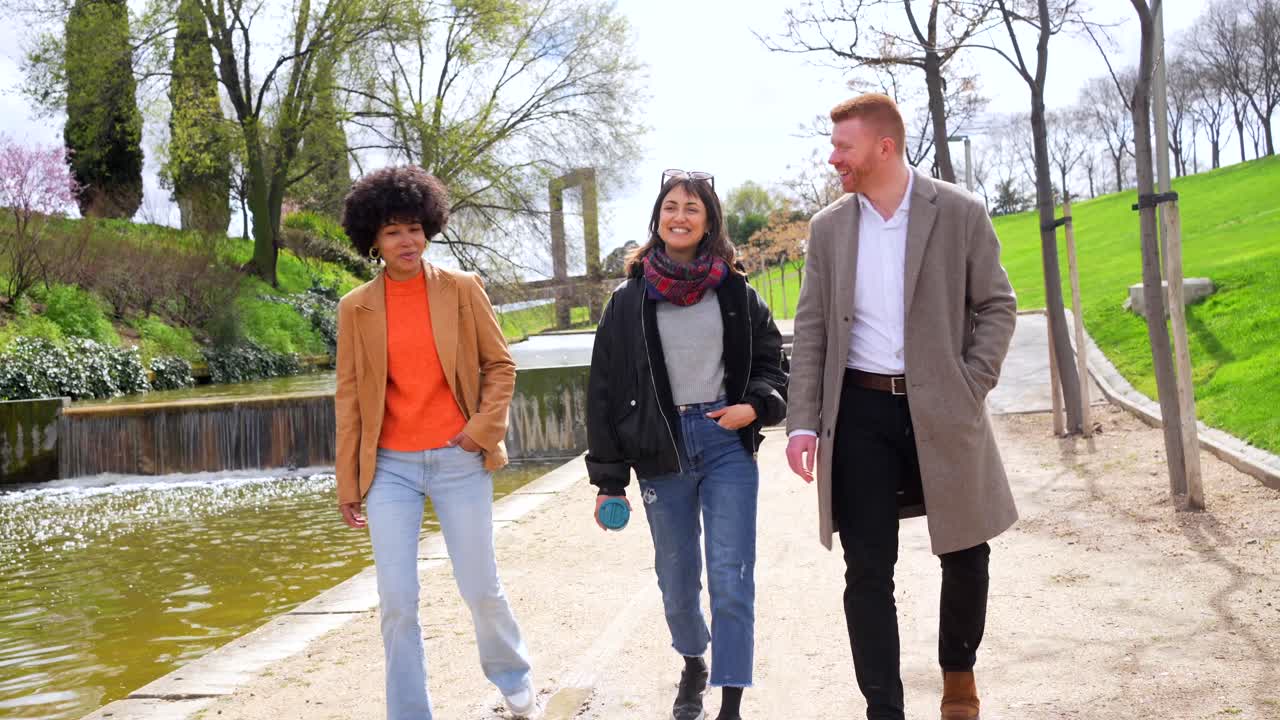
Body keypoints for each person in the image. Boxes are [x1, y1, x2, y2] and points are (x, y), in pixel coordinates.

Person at [784, 94, 1019, 720]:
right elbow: (811, 331)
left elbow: (997, 304)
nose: (833, 158)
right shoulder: (829, 228)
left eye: (844, 147)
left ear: (884, 148)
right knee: (866, 569)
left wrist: (973, 381)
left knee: (966, 550)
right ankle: (883, 707)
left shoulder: (960, 211)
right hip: (859, 412)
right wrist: (802, 422)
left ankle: (958, 675)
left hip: (944, 405)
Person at [333, 165, 539, 720]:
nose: (408, 241)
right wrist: (348, 481)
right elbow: (350, 398)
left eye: (415, 228)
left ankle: (514, 677)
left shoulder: (463, 290)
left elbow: (499, 365)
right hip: (391, 470)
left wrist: (479, 433)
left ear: (429, 226)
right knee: (397, 603)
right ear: (372, 240)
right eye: (393, 231)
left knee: (480, 588)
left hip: (458, 459)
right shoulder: (356, 308)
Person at [586, 169, 789, 720]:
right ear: (658, 218)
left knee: (731, 575)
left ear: (708, 221)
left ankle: (730, 700)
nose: (680, 216)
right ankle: (694, 660)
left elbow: (774, 364)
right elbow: (602, 390)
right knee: (676, 581)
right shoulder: (628, 301)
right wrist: (610, 481)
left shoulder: (736, 292)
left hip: (725, 445)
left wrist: (756, 405)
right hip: (659, 447)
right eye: (671, 206)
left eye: (691, 209)